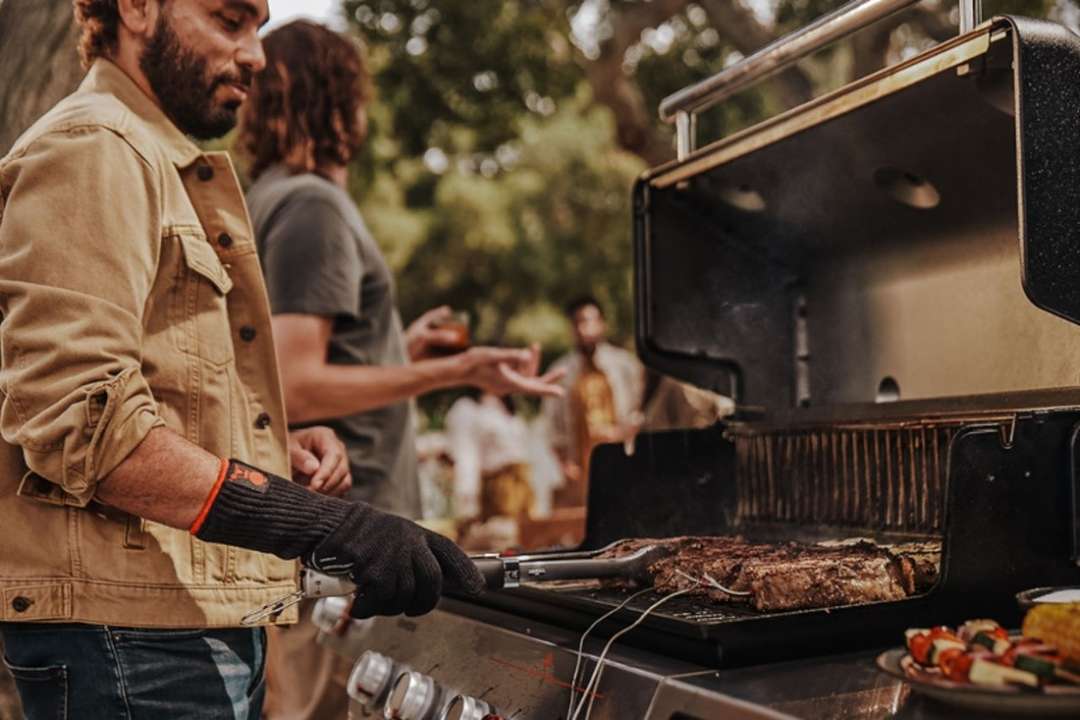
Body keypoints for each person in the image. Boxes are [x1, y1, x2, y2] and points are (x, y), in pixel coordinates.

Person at [0, 2, 484, 717]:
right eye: (230, 20)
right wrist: (325, 526)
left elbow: (157, 395)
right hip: (132, 646)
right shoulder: (94, 147)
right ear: (137, 9)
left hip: (186, 624)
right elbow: (83, 423)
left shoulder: (157, 161)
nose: (255, 54)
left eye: (258, 27)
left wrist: (271, 448)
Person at [235, 21, 563, 719]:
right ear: (331, 97)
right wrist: (457, 371)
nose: (363, 114)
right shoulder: (312, 205)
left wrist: (397, 352)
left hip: (330, 546)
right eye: (356, 94)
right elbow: (294, 383)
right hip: (348, 547)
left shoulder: (263, 197)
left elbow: (280, 361)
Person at [542, 296, 645, 507]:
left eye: (590, 320)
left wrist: (623, 433)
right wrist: (563, 464)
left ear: (602, 323)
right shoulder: (560, 371)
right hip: (581, 466)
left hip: (622, 457)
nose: (585, 329)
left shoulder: (624, 365)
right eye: (579, 322)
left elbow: (642, 411)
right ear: (572, 328)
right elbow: (553, 427)